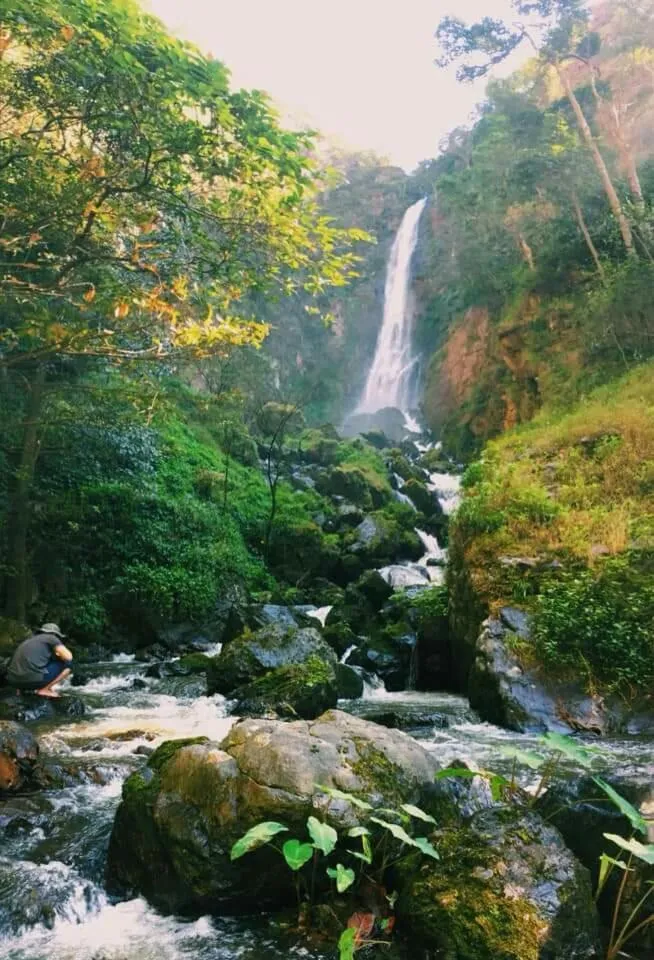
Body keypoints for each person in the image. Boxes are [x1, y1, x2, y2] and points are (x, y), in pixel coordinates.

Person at [7, 623, 73, 698]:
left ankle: (20, 690)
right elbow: (69, 657)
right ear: (55, 634)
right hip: (33, 681)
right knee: (68, 664)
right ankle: (44, 690)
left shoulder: (29, 640)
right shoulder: (52, 638)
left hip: (14, 682)